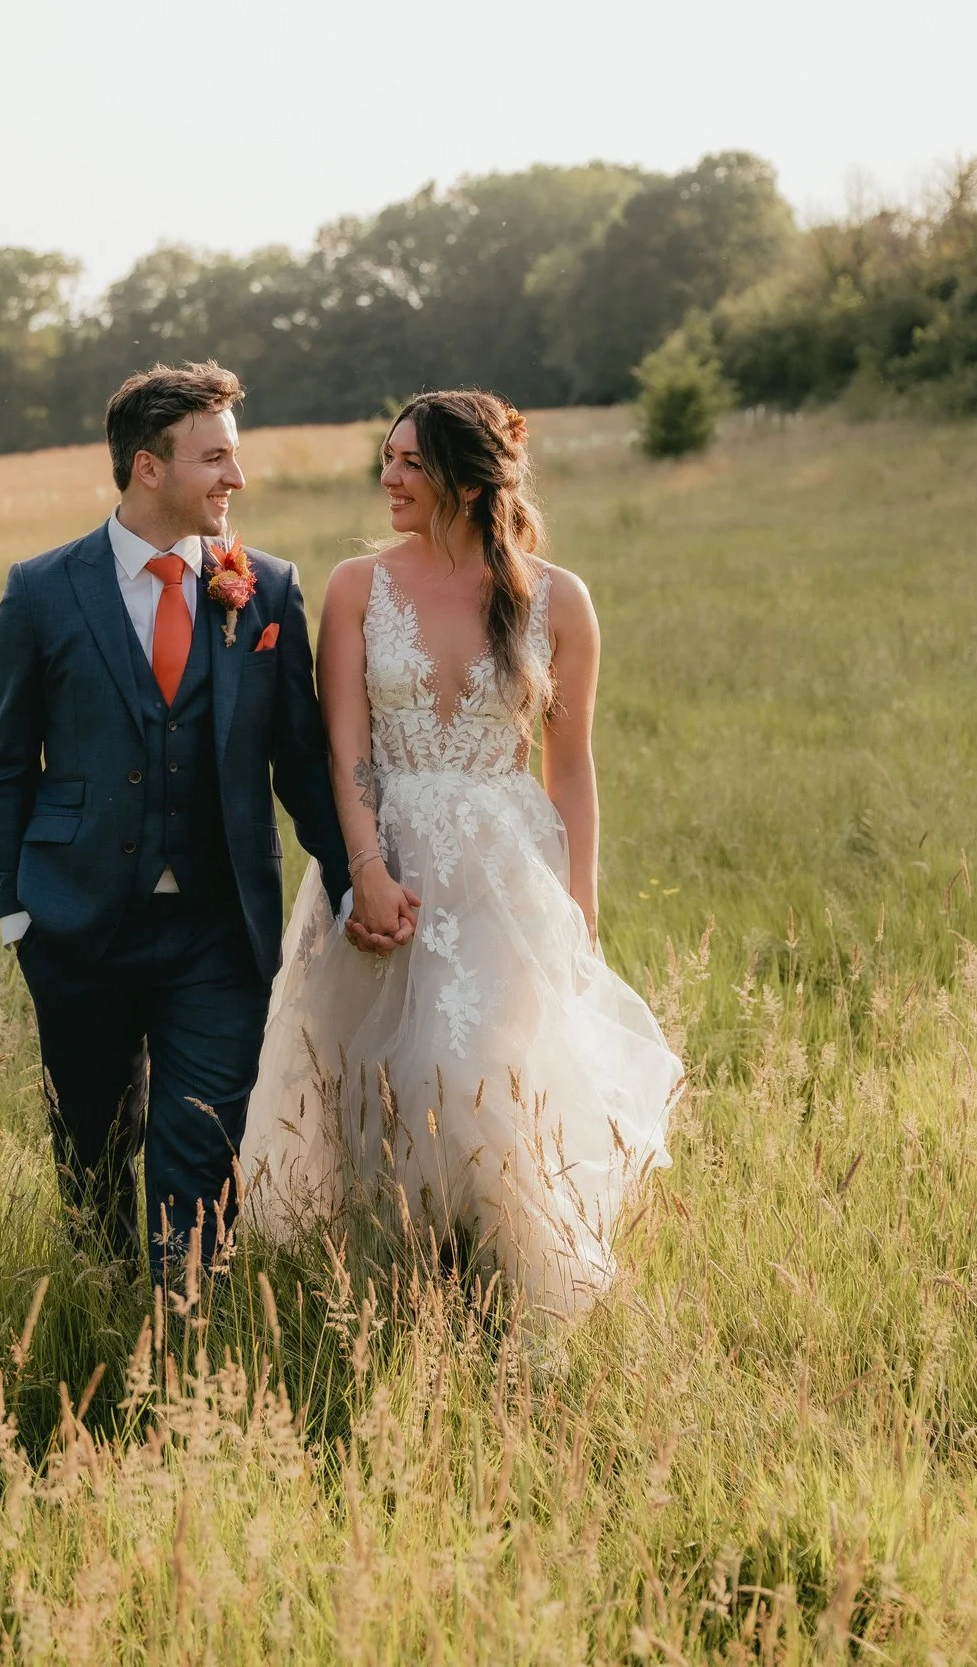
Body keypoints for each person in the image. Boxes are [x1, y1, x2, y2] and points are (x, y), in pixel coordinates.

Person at [241, 389, 682, 1354]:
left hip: (502, 877)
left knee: (486, 1073)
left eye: (410, 461)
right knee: (371, 1086)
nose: (388, 476)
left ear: (468, 479)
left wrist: (581, 906)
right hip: (387, 866)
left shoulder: (559, 599)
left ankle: (504, 1305)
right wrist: (364, 870)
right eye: (387, 456)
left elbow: (571, 769)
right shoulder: (356, 586)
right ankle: (387, 1302)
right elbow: (343, 749)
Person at [0, 362, 364, 1276]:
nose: (237, 477)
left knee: (199, 1141)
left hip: (219, 928)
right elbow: (6, 763)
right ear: (149, 467)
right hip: (75, 919)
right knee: (92, 1152)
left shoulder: (266, 588)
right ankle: (102, 1298)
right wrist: (15, 906)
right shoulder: (40, 590)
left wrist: (354, 881)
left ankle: (185, 1319)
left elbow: (300, 761)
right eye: (215, 457)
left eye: (235, 455)